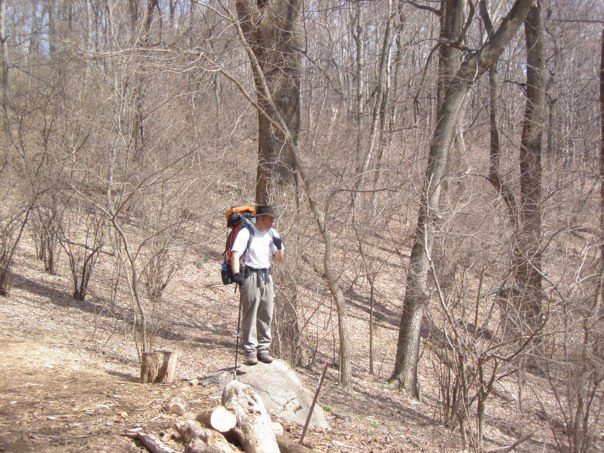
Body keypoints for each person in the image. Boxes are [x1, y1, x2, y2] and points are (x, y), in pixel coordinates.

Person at [230, 205, 284, 365]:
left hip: (267, 276)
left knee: (266, 312)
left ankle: (263, 349)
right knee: (250, 313)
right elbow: (235, 254)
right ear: (260, 218)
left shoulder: (273, 233)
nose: (273, 222)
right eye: (270, 218)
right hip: (250, 274)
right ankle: (251, 351)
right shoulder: (246, 232)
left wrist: (279, 246)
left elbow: (279, 258)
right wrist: (236, 275)